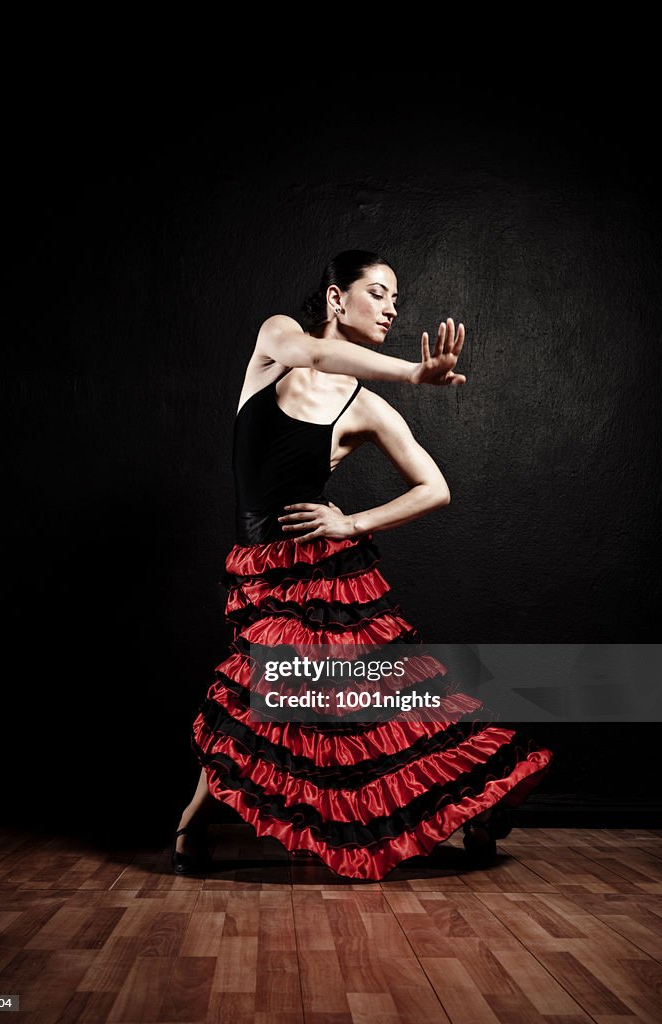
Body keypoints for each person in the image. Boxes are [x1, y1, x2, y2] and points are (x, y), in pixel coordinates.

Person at [172, 250, 553, 881]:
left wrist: (352, 522)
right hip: (259, 566)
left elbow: (436, 488)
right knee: (266, 695)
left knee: (366, 706)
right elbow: (317, 356)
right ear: (334, 299)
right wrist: (411, 371)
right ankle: (193, 823)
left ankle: (473, 804)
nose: (392, 309)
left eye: (395, 299)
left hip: (330, 576)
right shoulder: (277, 342)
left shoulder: (365, 407)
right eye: (378, 293)